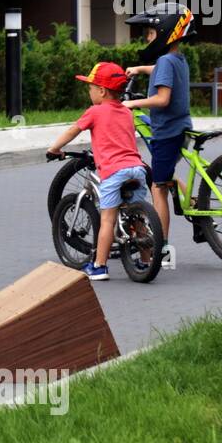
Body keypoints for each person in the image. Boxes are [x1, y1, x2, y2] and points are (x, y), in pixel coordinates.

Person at [47, 62, 150, 281]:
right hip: (137, 169)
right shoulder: (126, 112)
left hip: (114, 171)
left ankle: (99, 266)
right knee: (138, 216)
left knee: (107, 220)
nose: (89, 91)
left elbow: (73, 130)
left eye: (91, 88)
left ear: (102, 91)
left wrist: (54, 148)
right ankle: (145, 260)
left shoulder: (95, 111)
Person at [123, 3, 195, 258]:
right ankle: (196, 202)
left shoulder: (165, 59)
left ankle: (162, 245)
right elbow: (160, 71)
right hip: (182, 127)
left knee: (158, 186)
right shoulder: (176, 58)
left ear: (164, 32)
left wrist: (133, 102)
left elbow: (162, 99)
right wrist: (141, 69)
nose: (147, 38)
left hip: (168, 132)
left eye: (150, 34)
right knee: (166, 172)